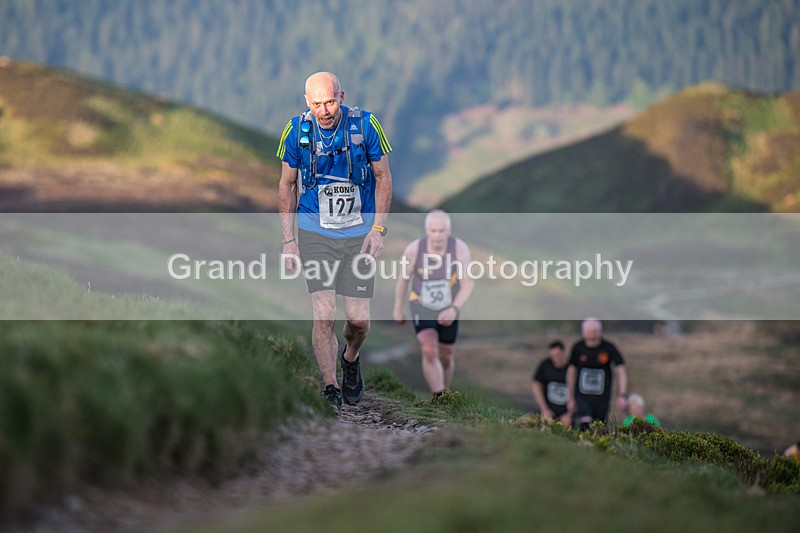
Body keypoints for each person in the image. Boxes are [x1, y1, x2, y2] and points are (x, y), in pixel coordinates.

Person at [277, 72, 393, 410]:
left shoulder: (367, 125)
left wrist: (378, 231)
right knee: (324, 312)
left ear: (341, 96)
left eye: (330, 101)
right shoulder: (296, 131)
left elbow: (383, 178)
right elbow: (287, 185)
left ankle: (351, 358)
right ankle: (330, 385)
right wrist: (288, 239)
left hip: (358, 235)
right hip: (315, 231)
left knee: (358, 321)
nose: (324, 110)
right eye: (316, 103)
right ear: (306, 102)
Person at [393, 209, 474, 399]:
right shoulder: (414, 249)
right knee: (429, 349)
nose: (437, 235)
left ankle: (445, 395)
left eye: (441, 230)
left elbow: (467, 283)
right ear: (426, 230)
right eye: (433, 231)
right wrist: (398, 308)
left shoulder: (459, 249)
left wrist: (454, 308)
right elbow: (403, 279)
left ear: (449, 230)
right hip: (421, 303)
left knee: (446, 354)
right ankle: (438, 397)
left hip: (449, 306)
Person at [566, 318, 628, 430]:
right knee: (585, 421)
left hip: (602, 397)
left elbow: (620, 370)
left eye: (594, 331)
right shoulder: (578, 348)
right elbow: (571, 372)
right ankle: (582, 445)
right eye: (589, 331)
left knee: (599, 427)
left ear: (599, 331)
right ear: (583, 332)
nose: (591, 334)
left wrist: (622, 394)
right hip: (582, 396)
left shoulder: (609, 348)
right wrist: (570, 397)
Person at [531, 340, 572, 427]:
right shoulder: (545, 366)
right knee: (546, 422)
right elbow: (536, 385)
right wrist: (544, 409)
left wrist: (570, 414)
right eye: (553, 355)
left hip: (567, 411)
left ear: (563, 352)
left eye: (557, 355)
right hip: (549, 409)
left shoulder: (572, 368)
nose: (555, 358)